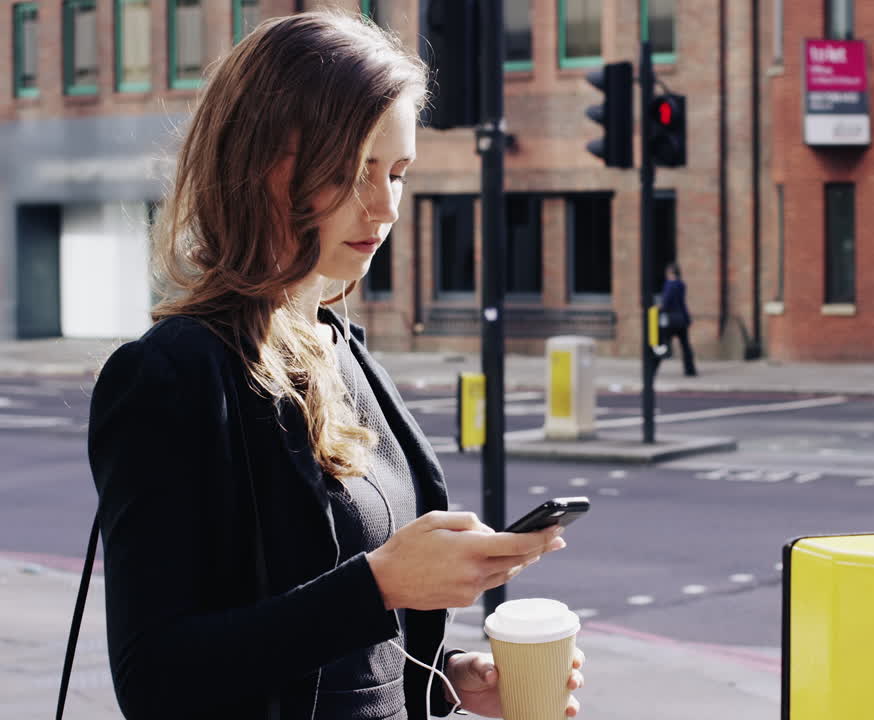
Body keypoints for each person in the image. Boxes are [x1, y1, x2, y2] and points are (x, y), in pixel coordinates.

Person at [86, 12, 583, 720]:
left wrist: (445, 678)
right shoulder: (170, 376)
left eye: (398, 171)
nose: (383, 207)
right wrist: (379, 584)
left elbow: (335, 649)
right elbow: (156, 678)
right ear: (262, 167)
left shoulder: (340, 348)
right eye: (352, 172)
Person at [655, 263, 697, 377]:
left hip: (671, 320)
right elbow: (682, 304)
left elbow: (666, 302)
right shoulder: (681, 284)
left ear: (670, 273)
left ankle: (653, 367)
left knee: (663, 343)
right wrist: (687, 318)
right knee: (685, 346)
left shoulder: (669, 285)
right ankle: (690, 370)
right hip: (681, 319)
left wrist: (660, 309)